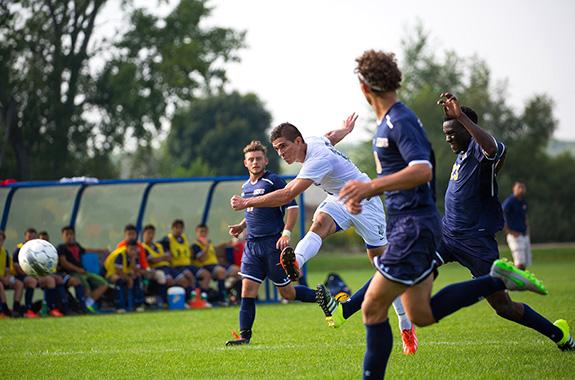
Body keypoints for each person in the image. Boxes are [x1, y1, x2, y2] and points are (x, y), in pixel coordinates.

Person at [336, 50, 549, 379]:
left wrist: (369, 188)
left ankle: (343, 312)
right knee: (420, 313)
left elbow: (422, 170)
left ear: (364, 88)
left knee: (373, 307)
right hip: (427, 230)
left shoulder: (398, 121)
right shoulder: (392, 121)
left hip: (415, 230)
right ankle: (497, 279)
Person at [318, 93, 575, 355]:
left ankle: (558, 332)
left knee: (504, 308)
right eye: (446, 133)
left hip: (476, 241)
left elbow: (495, 149)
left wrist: (461, 116)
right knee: (397, 266)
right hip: (445, 234)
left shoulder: (480, 153)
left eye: (453, 132)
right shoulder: (462, 155)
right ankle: (345, 309)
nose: (448, 137)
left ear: (467, 129)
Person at [230, 118, 419, 353]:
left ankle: (405, 327)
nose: (281, 153)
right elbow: (330, 135)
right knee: (319, 223)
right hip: (340, 199)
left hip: (366, 202)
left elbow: (287, 195)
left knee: (385, 269)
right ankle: (295, 261)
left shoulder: (317, 160)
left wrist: (246, 201)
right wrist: (346, 130)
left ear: (298, 141)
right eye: (277, 148)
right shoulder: (312, 142)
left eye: (283, 146)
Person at [226, 140, 317, 346]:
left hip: (272, 246)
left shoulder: (273, 181)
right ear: (245, 163)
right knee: (247, 290)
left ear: (266, 160)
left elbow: (292, 208)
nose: (255, 162)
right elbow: (253, 210)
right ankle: (244, 337)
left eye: (259, 158)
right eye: (251, 159)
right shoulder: (245, 186)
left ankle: (321, 296)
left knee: (287, 293)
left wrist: (286, 233)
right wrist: (241, 226)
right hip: (252, 246)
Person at [57, 226, 110, 313]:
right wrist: (78, 269)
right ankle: (84, 308)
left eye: (71, 234)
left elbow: (86, 250)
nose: (70, 236)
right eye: (67, 234)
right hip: (72, 273)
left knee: (103, 284)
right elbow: (64, 263)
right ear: (63, 236)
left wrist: (101, 250)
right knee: (86, 288)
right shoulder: (61, 248)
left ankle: (87, 304)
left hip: (83, 272)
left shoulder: (76, 245)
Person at [13, 228, 63, 317]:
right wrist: (33, 275)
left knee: (50, 280)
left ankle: (50, 308)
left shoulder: (38, 248)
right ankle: (28, 310)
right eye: (29, 236)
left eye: (33, 236)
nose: (31, 238)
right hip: (22, 275)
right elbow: (17, 267)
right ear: (25, 237)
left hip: (36, 275)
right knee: (32, 281)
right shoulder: (20, 248)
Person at [159, 219, 210, 303]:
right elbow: (165, 254)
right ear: (172, 228)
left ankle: (203, 298)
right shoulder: (167, 239)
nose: (179, 230)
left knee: (206, 274)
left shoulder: (184, 238)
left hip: (188, 265)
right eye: (177, 228)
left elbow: (190, 252)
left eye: (181, 228)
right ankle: (192, 300)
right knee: (189, 277)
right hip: (177, 266)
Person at [191, 224, 228, 303]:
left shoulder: (209, 244)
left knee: (236, 270)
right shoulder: (195, 245)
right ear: (196, 232)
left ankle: (234, 296)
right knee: (221, 272)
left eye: (205, 232)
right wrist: (206, 247)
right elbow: (201, 259)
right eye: (201, 232)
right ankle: (220, 298)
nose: (203, 234)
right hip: (204, 266)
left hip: (215, 265)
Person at [104, 239, 144, 312]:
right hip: (110, 273)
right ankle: (120, 306)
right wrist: (129, 279)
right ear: (127, 248)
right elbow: (118, 271)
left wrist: (133, 260)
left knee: (137, 278)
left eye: (135, 249)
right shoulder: (120, 254)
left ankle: (138, 305)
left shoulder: (135, 255)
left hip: (124, 273)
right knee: (119, 280)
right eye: (131, 249)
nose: (133, 251)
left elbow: (136, 270)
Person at [141, 224, 175, 307]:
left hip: (167, 267)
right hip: (154, 269)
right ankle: (163, 301)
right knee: (166, 278)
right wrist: (163, 258)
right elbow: (152, 261)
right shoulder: (143, 247)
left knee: (182, 278)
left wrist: (161, 258)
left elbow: (170, 257)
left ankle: (184, 300)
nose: (151, 236)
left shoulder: (159, 245)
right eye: (148, 233)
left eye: (152, 233)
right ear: (143, 234)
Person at [502, 181, 532, 270]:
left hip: (523, 234)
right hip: (515, 235)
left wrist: (527, 229)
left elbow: (524, 216)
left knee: (525, 262)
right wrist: (508, 231)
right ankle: (516, 282)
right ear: (514, 189)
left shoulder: (523, 201)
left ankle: (522, 281)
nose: (521, 189)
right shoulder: (510, 201)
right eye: (519, 187)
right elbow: (501, 214)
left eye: (523, 187)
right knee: (519, 263)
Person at [0, 230, 24, 317]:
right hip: (0, 280)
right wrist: (3, 279)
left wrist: (7, 277)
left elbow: (7, 269)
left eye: (1, 240)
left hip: (3, 278)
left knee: (19, 284)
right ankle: (5, 309)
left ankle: (16, 309)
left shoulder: (5, 252)